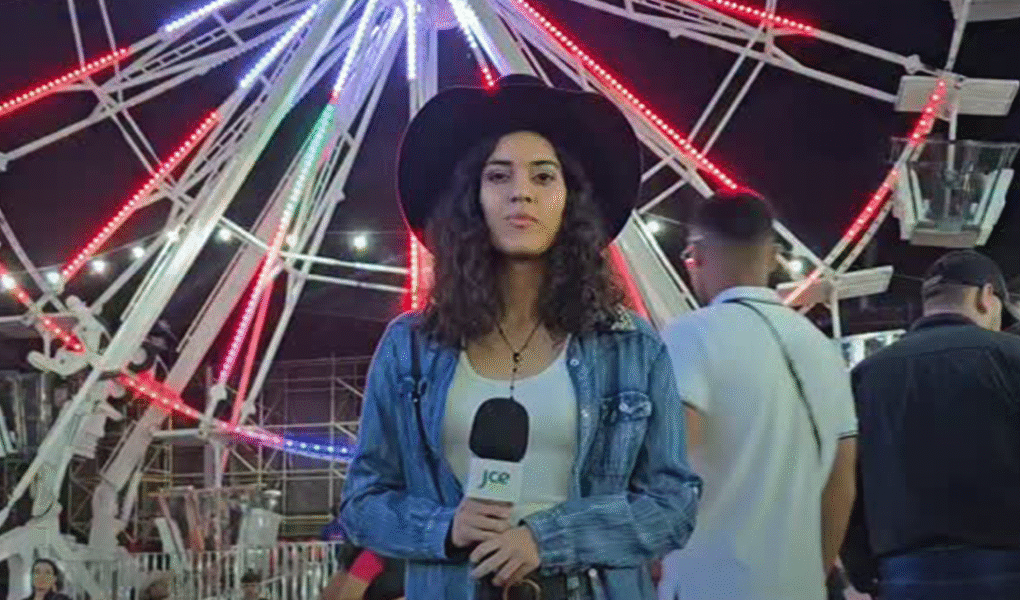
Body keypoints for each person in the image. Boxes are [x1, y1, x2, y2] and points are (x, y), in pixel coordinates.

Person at [340, 74, 701, 600]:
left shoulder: (631, 347)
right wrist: (445, 527)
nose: (521, 192)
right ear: (473, 199)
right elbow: (361, 502)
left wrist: (545, 539)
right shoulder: (410, 347)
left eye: (543, 176)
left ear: (569, 201)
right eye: (498, 176)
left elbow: (673, 504)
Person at [658, 191, 858, 600]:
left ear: (698, 254)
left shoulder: (689, 336)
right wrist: (813, 574)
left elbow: (667, 465)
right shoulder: (821, 349)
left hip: (708, 585)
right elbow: (841, 485)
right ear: (772, 257)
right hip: (797, 586)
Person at [845, 250, 1020, 600]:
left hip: (903, 575)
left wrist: (863, 570)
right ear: (986, 297)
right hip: (1008, 569)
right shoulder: (1011, 356)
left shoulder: (866, 375)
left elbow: (849, 478)